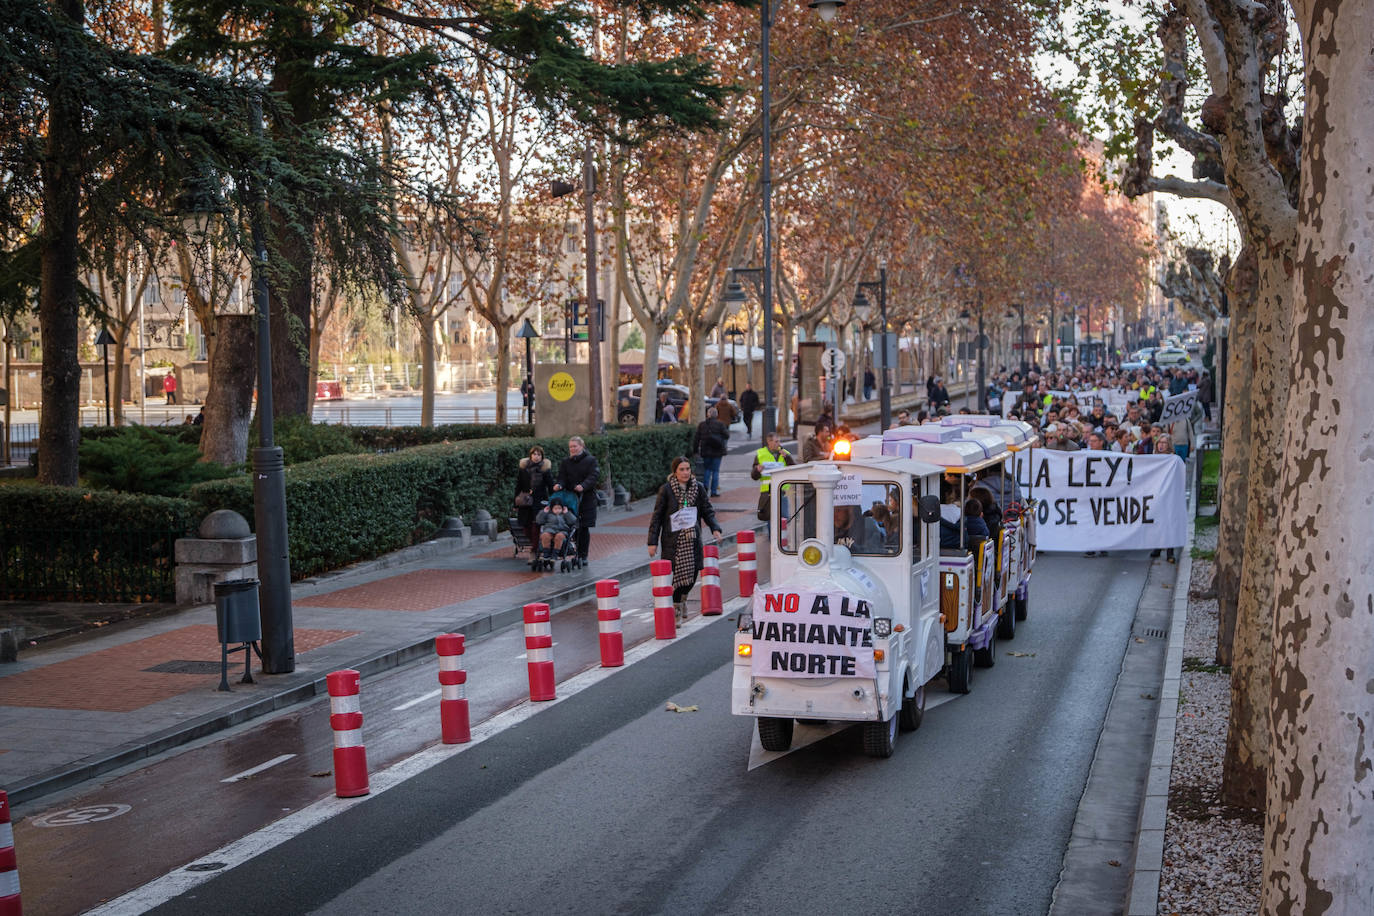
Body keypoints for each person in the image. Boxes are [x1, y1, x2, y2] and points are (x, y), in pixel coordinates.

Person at [647, 456, 723, 622]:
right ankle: (676, 607)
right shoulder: (666, 490)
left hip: (693, 540)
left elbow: (707, 511)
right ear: (675, 471)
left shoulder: (699, 488)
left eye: (688, 469)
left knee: (693, 573)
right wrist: (652, 542)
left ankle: (682, 598)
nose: (685, 472)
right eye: (681, 469)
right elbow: (657, 517)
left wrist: (715, 528)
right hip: (672, 541)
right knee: (675, 577)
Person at [554, 436, 600, 564]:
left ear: (582, 446)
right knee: (572, 526)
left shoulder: (591, 460)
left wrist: (583, 486)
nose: (573, 449)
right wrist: (559, 485)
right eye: (571, 447)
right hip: (570, 499)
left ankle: (583, 555)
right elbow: (562, 477)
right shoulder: (566, 462)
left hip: (586, 499)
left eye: (575, 446)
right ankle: (573, 550)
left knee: (583, 527)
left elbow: (593, 476)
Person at [514, 445, 553, 548]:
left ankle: (534, 551)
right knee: (525, 528)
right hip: (525, 501)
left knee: (536, 526)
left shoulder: (545, 470)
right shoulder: (523, 470)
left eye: (539, 454)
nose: (536, 456)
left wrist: (553, 502)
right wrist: (515, 503)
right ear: (530, 456)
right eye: (534, 454)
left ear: (542, 456)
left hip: (540, 501)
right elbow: (518, 486)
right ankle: (537, 546)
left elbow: (551, 487)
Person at [752, 431, 795, 521]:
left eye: (779, 441)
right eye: (776, 442)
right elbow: (754, 476)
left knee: (783, 519)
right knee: (770, 518)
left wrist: (787, 457)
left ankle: (782, 535)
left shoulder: (785, 453)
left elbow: (794, 468)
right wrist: (757, 470)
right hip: (767, 492)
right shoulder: (761, 454)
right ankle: (771, 535)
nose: (779, 444)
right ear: (769, 442)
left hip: (782, 490)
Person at [693, 406, 730, 497]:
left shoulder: (702, 425)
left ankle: (705, 490)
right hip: (717, 451)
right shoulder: (720, 424)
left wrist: (695, 450)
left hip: (705, 451)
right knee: (716, 471)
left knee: (707, 470)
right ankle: (714, 491)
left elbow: (696, 439)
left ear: (707, 414)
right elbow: (727, 435)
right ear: (716, 415)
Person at [534, 498, 576, 567]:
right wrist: (544, 512)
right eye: (555, 508)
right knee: (545, 535)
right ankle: (546, 553)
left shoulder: (564, 514)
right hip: (549, 530)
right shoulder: (548, 514)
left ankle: (555, 554)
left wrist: (567, 513)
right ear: (551, 508)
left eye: (559, 508)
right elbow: (539, 521)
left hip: (561, 531)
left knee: (559, 537)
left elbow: (572, 521)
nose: (557, 510)